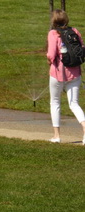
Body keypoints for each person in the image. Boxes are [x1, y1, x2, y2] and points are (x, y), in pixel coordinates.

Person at [47, 9, 85, 145]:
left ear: (54, 21)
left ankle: (56, 136)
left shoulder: (53, 34)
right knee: (74, 103)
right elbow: (81, 48)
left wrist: (49, 60)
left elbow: (51, 54)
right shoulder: (74, 31)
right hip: (75, 73)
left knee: (55, 102)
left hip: (58, 74)